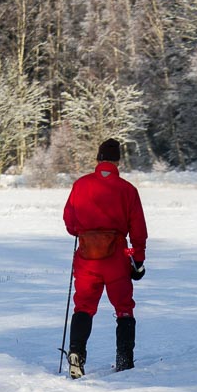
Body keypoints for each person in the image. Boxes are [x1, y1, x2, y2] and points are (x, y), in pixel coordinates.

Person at [63, 138, 148, 379]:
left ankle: (76, 355)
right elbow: (138, 231)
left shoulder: (80, 185)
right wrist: (136, 259)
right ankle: (124, 360)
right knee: (124, 308)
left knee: (83, 307)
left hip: (87, 256)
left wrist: (84, 231)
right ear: (117, 161)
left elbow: (70, 223)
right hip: (118, 257)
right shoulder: (128, 190)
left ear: (98, 159)